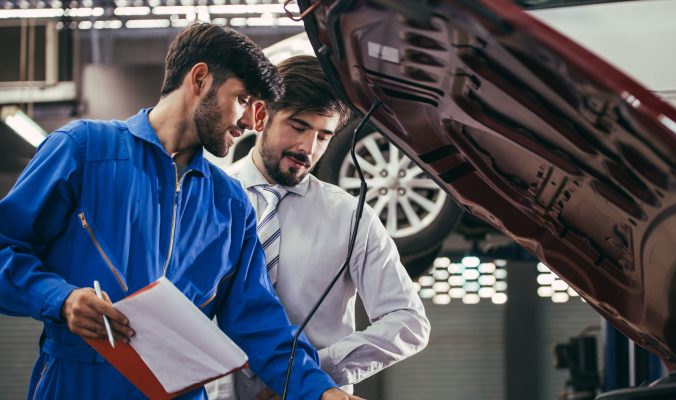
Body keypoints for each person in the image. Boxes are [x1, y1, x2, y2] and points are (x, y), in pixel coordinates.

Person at [0, 24, 360, 400]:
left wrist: (321, 391)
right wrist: (60, 298)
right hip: (78, 384)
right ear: (200, 79)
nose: (252, 121)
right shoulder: (85, 150)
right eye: (243, 99)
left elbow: (261, 323)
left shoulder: (231, 205)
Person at [209, 55, 430, 399]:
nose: (307, 149)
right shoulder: (205, 197)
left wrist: (309, 373)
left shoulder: (351, 217)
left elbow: (408, 322)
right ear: (262, 115)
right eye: (298, 127)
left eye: (324, 136)